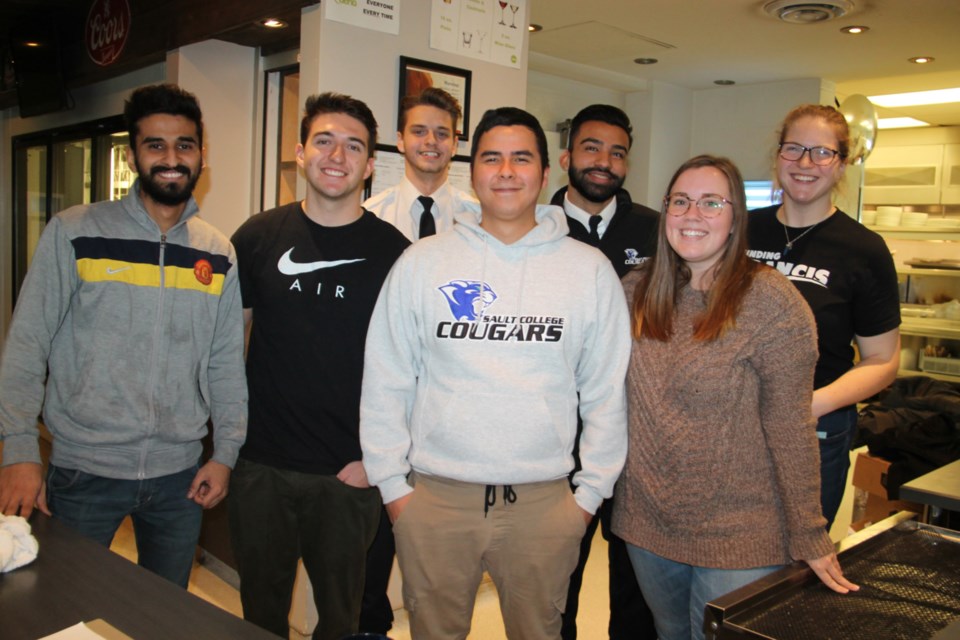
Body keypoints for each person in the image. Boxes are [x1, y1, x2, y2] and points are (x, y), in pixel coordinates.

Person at [360, 107, 630, 640]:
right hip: (435, 501)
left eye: (521, 157)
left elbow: (605, 393)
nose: (506, 170)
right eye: (492, 157)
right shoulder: (422, 263)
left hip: (544, 507)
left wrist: (586, 499)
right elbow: (386, 378)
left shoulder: (588, 271)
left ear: (546, 174)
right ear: (473, 171)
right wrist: (394, 489)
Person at [0, 83, 247, 588]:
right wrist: (20, 451)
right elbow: (27, 346)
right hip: (82, 471)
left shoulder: (217, 253)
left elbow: (225, 363)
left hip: (178, 478)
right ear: (133, 154)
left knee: (162, 615)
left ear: (202, 155)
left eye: (185, 144)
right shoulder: (76, 232)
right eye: (155, 145)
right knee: (67, 608)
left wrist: (224, 454)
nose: (171, 158)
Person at [613, 154, 858, 640]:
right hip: (646, 521)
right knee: (670, 634)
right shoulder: (633, 292)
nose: (693, 214)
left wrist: (810, 532)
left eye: (711, 203)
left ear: (735, 218)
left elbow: (790, 426)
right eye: (680, 201)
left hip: (742, 530)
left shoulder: (771, 302)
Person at [228, 93, 409, 640]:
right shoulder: (257, 237)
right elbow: (227, 347)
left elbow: (412, 366)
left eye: (354, 145)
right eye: (325, 140)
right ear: (301, 152)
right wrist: (228, 444)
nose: (338, 155)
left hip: (347, 474)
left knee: (341, 618)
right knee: (260, 615)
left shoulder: (395, 252)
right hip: (260, 465)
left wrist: (375, 458)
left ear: (370, 164)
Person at [747, 104, 901, 529]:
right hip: (733, 421)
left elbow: (883, 359)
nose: (804, 163)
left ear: (841, 164)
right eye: (794, 149)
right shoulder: (740, 231)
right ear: (778, 156)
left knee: (794, 561)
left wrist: (813, 405)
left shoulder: (863, 249)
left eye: (821, 152)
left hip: (814, 428)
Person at [551, 104, 658, 640]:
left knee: (633, 586)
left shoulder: (658, 234)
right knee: (555, 582)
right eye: (592, 147)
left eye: (617, 153)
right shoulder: (536, 227)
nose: (604, 162)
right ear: (568, 156)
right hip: (555, 438)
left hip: (635, 433)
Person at [364, 87, 475, 241]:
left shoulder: (477, 218)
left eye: (442, 134)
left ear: (454, 145)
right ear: (400, 141)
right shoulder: (373, 215)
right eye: (419, 132)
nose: (431, 141)